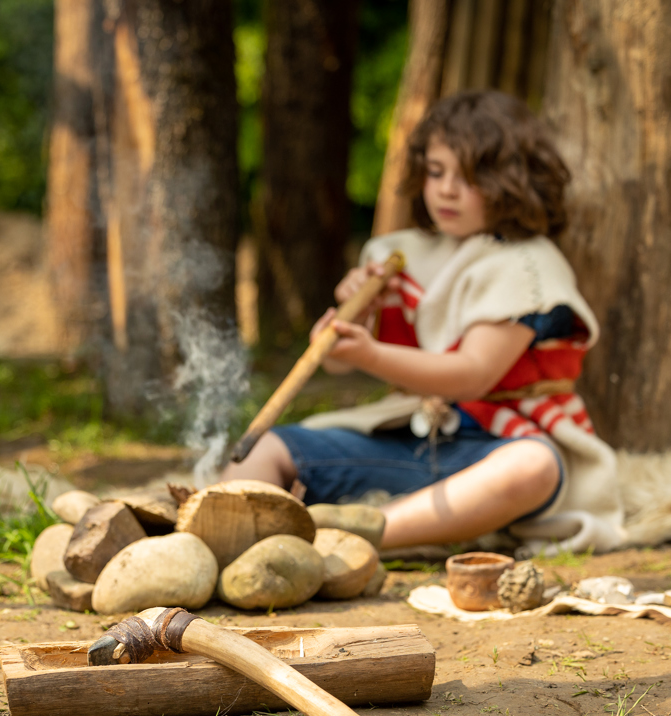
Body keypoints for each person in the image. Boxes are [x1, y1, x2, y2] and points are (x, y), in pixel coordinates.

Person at [224, 90, 625, 557]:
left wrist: (369, 354)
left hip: (499, 443)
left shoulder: (528, 266)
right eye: (436, 172)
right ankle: (227, 536)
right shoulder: (398, 252)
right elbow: (337, 367)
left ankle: (353, 539)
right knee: (264, 449)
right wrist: (354, 326)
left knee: (532, 468)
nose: (446, 190)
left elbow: (474, 374)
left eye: (469, 177)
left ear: (514, 182)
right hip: (410, 436)